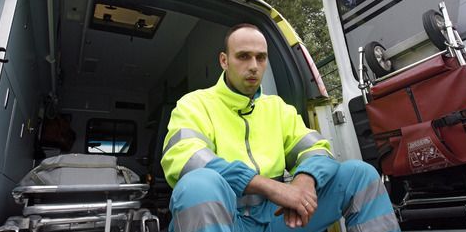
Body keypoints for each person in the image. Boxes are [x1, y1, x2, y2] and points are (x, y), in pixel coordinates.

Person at [161, 23, 401, 232]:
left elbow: (318, 149)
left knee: (360, 175)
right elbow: (185, 157)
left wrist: (304, 182)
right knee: (197, 186)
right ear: (224, 60)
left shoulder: (278, 108)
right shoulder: (195, 103)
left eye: (261, 57)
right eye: (243, 56)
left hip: (277, 219)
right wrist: (273, 188)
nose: (254, 66)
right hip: (227, 220)